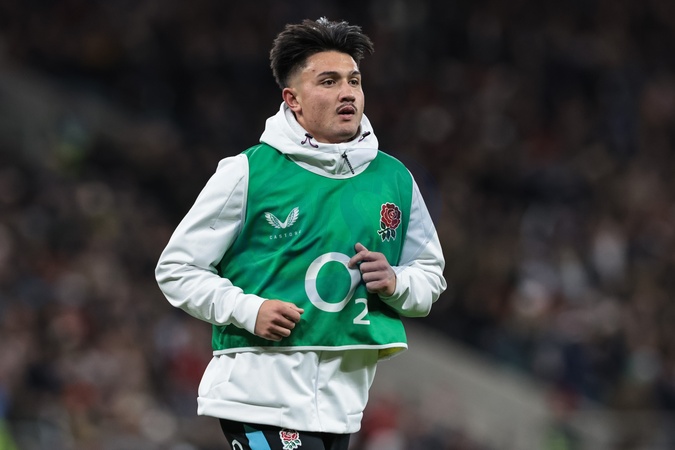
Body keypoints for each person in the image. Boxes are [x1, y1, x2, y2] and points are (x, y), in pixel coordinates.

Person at [155, 17, 446, 450]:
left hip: (342, 408)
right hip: (256, 400)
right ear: (292, 99)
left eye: (354, 81)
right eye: (328, 81)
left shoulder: (395, 180)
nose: (347, 92)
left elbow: (430, 276)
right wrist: (248, 309)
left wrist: (396, 282)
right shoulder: (249, 171)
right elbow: (176, 268)